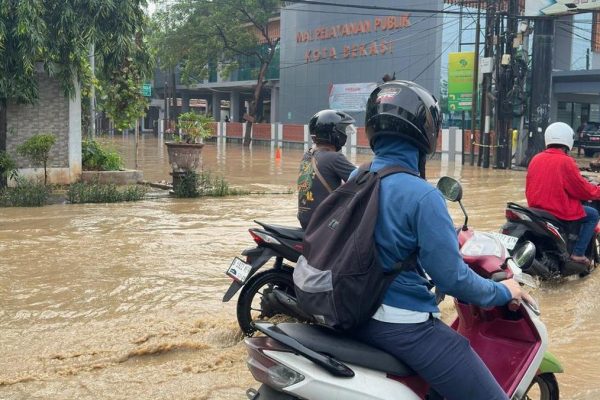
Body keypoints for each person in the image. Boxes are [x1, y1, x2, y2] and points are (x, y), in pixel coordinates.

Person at [352, 80, 531, 400]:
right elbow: (453, 280)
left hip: (354, 312)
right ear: (426, 133)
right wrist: (503, 291)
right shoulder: (423, 196)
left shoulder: (359, 177)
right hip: (402, 324)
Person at [526, 121, 600, 265]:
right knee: (592, 214)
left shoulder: (536, 158)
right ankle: (578, 254)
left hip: (536, 210)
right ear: (567, 140)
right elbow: (582, 190)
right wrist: (597, 191)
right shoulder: (566, 161)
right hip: (557, 210)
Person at [297, 109, 356, 229]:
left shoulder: (307, 155)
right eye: (343, 130)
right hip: (324, 224)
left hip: (306, 222)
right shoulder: (334, 158)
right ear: (334, 133)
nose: (344, 134)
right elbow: (363, 179)